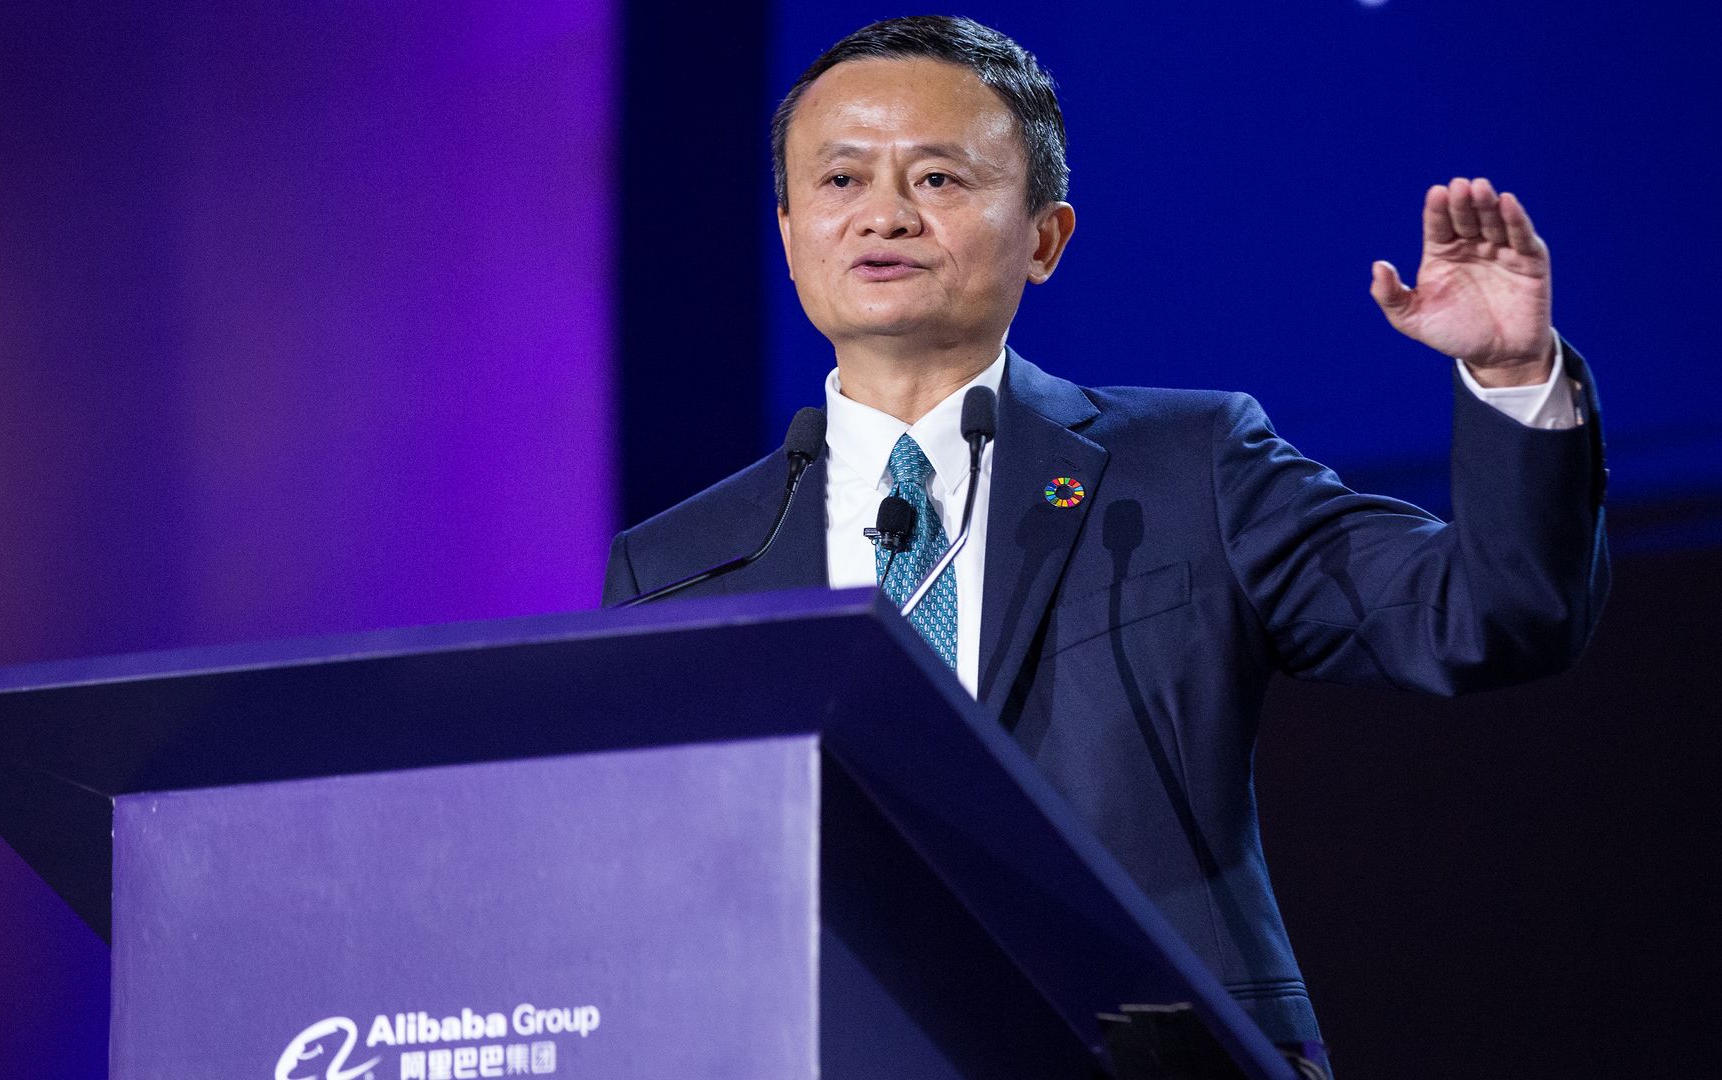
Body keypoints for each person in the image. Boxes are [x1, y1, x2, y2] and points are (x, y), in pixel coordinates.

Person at [602, 14, 1608, 1070]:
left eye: (939, 179)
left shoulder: (1187, 465)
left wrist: (1508, 375)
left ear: (1045, 237)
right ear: (789, 230)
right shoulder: (680, 567)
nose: (884, 216)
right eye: (842, 181)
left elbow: (1492, 617)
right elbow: (640, 884)